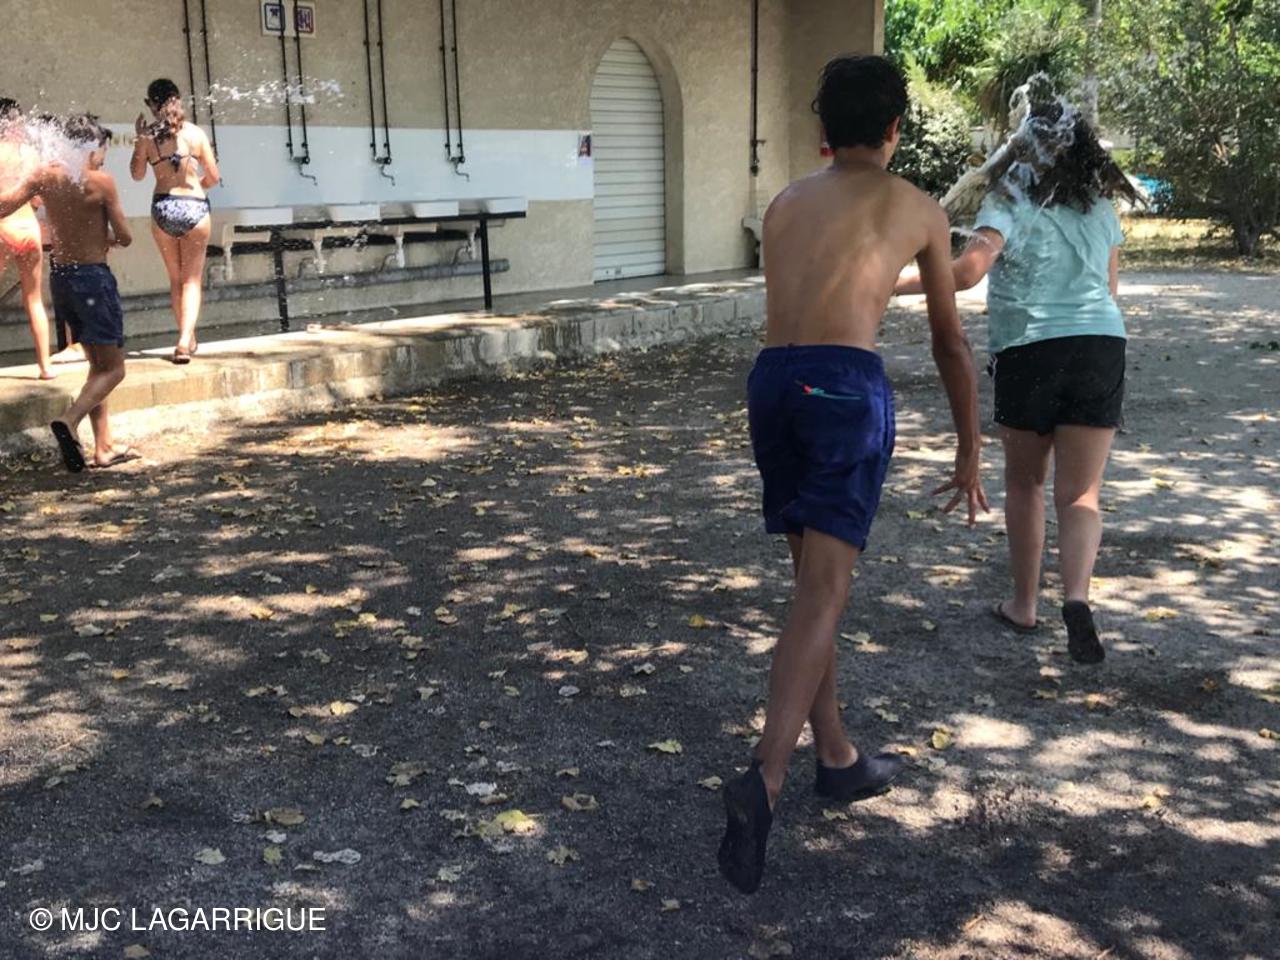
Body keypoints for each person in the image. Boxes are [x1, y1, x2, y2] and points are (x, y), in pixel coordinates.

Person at [717, 55, 987, 895]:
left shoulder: (785, 203)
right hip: (843, 387)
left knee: (811, 587)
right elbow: (949, 341)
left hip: (773, 384)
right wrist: (971, 445)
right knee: (824, 593)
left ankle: (836, 757)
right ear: (896, 129)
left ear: (823, 132)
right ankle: (766, 777)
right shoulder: (918, 207)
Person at [895, 100, 1137, 665]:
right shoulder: (1099, 206)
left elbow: (966, 272)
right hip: (1101, 345)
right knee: (1081, 493)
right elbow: (1109, 290)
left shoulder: (1009, 199)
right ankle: (1076, 598)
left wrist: (888, 281)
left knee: (1026, 482)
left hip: (1030, 348)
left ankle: (1024, 604)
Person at [0, 113, 137, 471]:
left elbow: (4, 205)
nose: (103, 157)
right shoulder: (101, 182)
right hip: (93, 279)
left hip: (62, 279)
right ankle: (69, 420)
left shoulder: (45, 176)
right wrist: (106, 238)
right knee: (114, 370)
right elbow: (125, 236)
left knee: (96, 366)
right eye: (102, 149)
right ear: (92, 147)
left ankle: (104, 447)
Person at [130, 78, 219, 364]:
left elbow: (137, 175)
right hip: (195, 208)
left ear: (151, 105)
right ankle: (185, 340)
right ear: (178, 100)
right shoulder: (195, 133)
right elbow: (214, 177)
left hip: (164, 207)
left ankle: (186, 337)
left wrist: (139, 139)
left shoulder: (148, 137)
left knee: (176, 279)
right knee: (192, 280)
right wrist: (195, 189)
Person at [0, 98, 55, 379]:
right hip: (28, 229)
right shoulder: (32, 155)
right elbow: (37, 198)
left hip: (2, 227)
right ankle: (45, 367)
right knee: (34, 300)